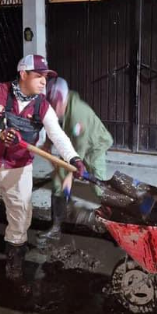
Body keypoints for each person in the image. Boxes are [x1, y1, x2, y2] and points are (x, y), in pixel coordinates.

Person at [0, 55, 85, 292]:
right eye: (39, 76)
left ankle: (14, 275)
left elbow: (58, 135)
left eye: (46, 77)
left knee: (20, 221)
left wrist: (73, 158)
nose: (44, 81)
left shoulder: (42, 105)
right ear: (23, 74)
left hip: (19, 172)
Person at [38, 77, 113, 244]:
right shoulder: (61, 106)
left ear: (60, 99)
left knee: (99, 187)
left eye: (52, 104)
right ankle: (56, 228)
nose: (50, 108)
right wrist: (48, 143)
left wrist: (70, 176)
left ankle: (115, 225)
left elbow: (78, 154)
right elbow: (56, 128)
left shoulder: (78, 113)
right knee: (58, 182)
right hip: (74, 145)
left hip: (94, 146)